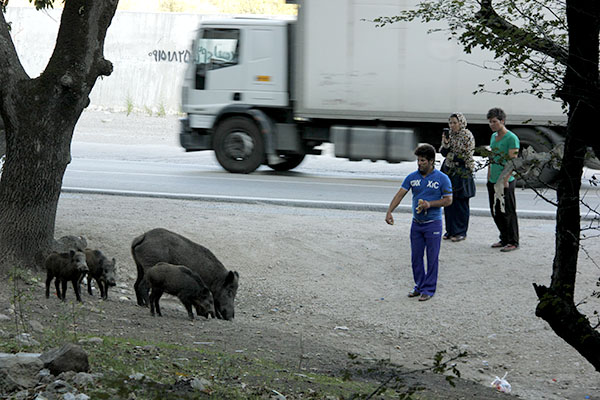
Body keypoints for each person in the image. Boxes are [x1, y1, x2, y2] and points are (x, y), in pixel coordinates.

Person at [385, 144, 452, 301]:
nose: (419, 163)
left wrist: (430, 204)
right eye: (418, 160)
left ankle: (429, 289)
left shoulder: (442, 179)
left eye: (422, 160)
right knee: (416, 257)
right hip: (416, 223)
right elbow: (400, 194)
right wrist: (389, 211)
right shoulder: (412, 177)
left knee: (432, 257)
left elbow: (448, 200)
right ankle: (419, 285)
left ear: (431, 161)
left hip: (433, 223)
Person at [486, 107, 520, 252]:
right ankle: (504, 237)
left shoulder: (511, 138)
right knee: (496, 211)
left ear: (502, 121)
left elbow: (513, 161)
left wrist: (506, 179)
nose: (492, 124)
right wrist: (489, 174)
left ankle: (513, 241)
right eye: (490, 122)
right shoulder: (493, 137)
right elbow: (492, 156)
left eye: (494, 121)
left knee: (508, 211)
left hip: (505, 180)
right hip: (493, 179)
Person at [439, 113, 476, 242]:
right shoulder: (450, 135)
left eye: (455, 122)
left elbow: (465, 157)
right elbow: (443, 152)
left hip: (462, 172)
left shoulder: (467, 136)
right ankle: (450, 230)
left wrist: (450, 155)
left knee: (461, 202)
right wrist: (446, 143)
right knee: (448, 201)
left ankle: (460, 232)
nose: (452, 125)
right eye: (450, 123)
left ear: (461, 123)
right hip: (449, 170)